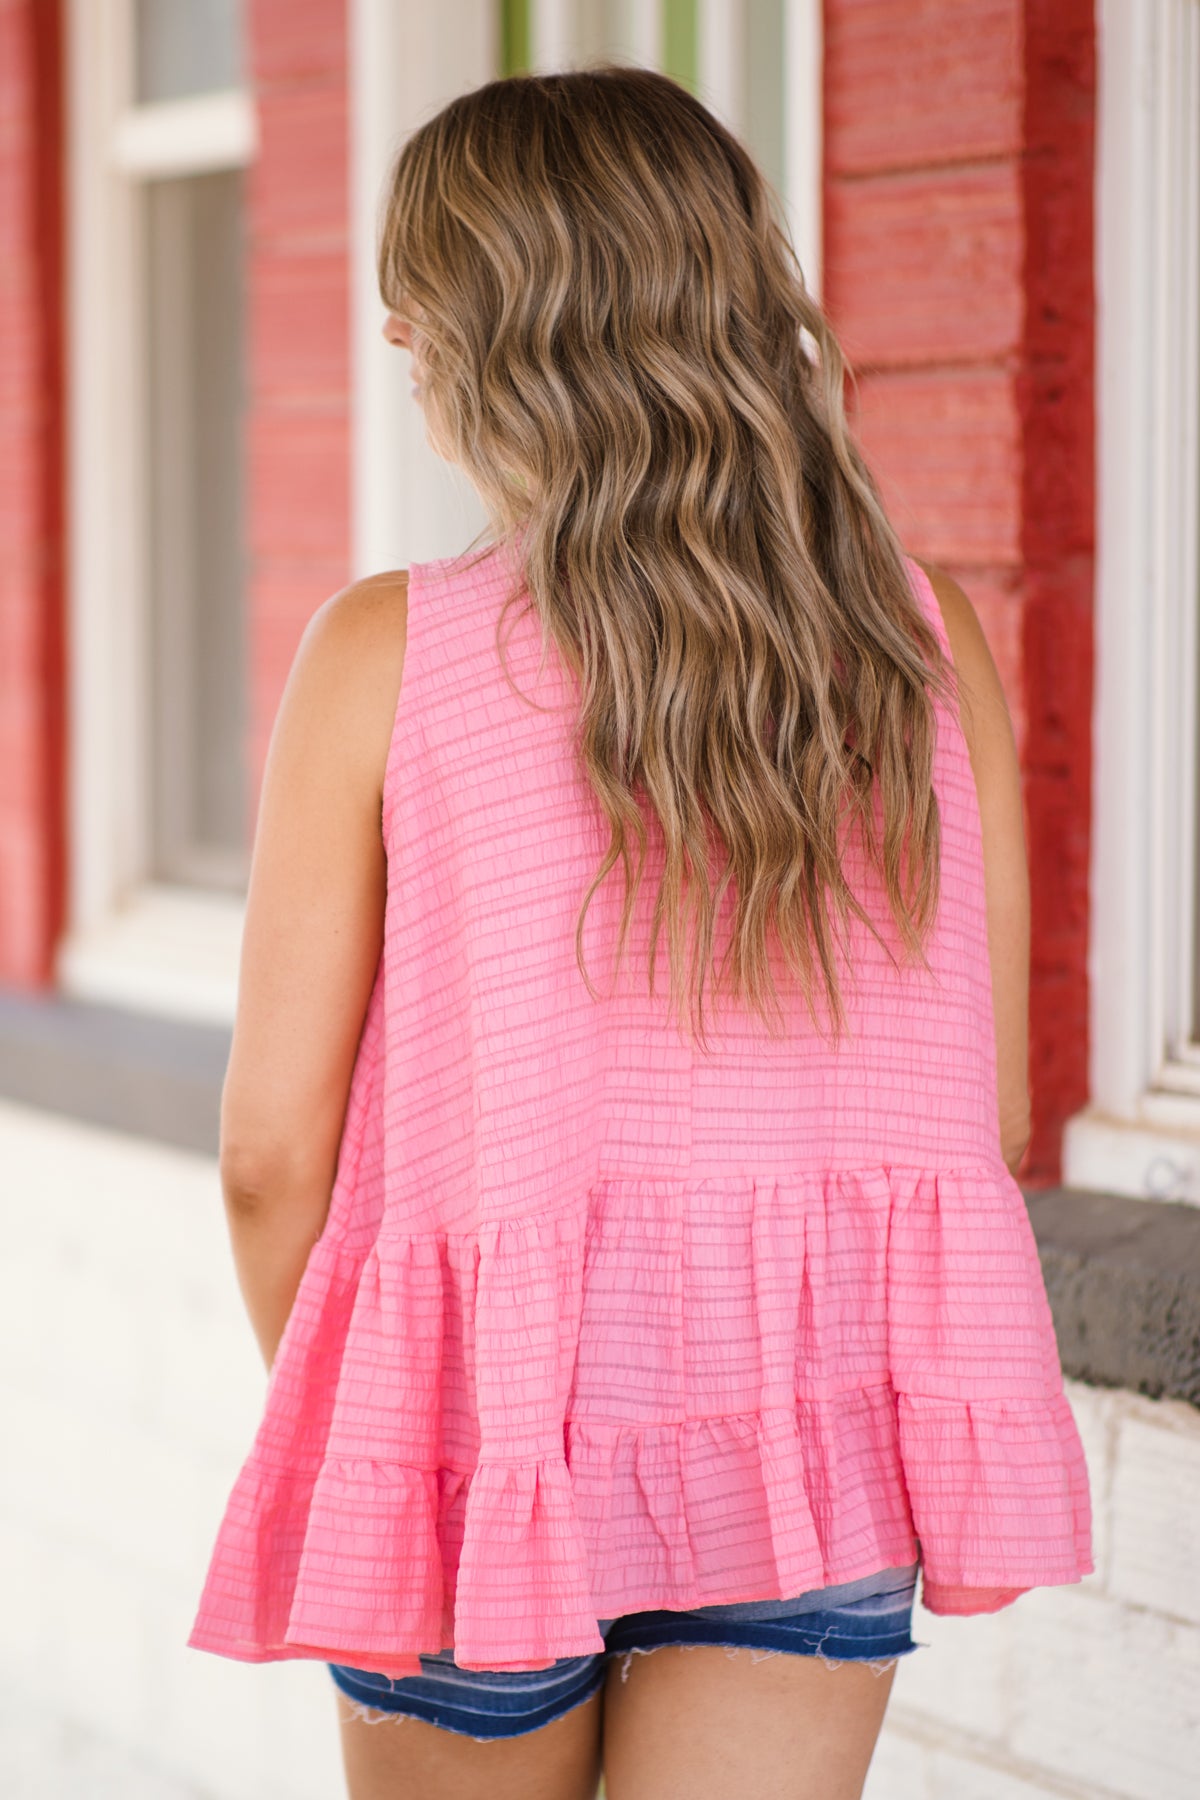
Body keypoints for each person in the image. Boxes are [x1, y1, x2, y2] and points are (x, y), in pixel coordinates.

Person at [186, 64, 1093, 1800]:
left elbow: (265, 1155)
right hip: (805, 1456)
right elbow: (979, 1115)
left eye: (420, 292)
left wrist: (388, 1428)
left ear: (500, 335)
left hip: (477, 1444)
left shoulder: (389, 656)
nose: (388, 330)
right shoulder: (924, 649)